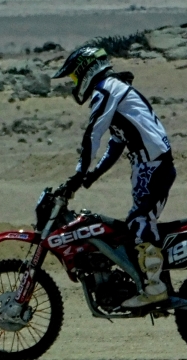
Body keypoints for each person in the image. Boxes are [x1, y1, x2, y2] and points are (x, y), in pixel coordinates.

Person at [53, 45, 176, 308]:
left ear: (87, 70)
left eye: (75, 77)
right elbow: (116, 143)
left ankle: (155, 288)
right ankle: (148, 282)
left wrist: (77, 175)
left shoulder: (106, 90)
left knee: (139, 220)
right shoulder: (117, 93)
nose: (75, 83)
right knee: (135, 226)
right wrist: (93, 175)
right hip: (147, 167)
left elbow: (93, 134)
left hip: (153, 166)